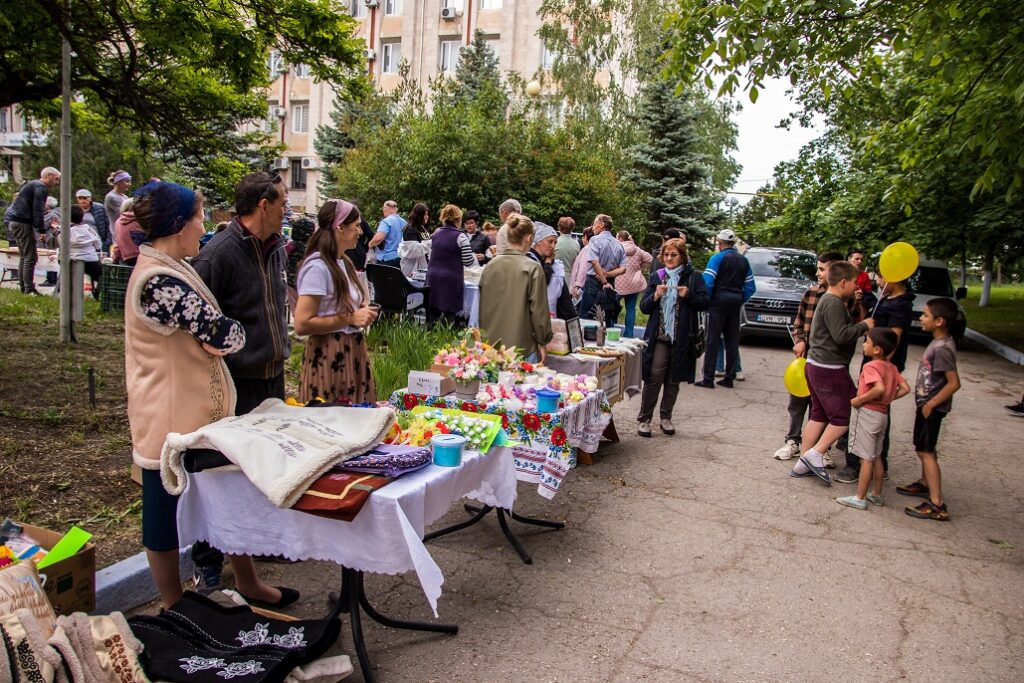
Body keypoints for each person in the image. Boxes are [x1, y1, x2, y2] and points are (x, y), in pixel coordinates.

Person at [124, 180, 295, 609]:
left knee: (227, 497)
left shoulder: (174, 266)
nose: (204, 225)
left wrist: (218, 333)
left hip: (200, 411)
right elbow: (224, 333)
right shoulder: (157, 280)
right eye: (199, 218)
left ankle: (248, 583)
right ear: (179, 225)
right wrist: (223, 332)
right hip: (169, 415)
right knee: (164, 512)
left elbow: (214, 331)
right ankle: (172, 605)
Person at [190, 172, 292, 595]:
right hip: (237, 382)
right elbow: (197, 330)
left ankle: (256, 549)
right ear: (263, 205)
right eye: (282, 201)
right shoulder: (219, 254)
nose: (287, 208)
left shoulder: (276, 249)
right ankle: (207, 565)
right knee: (219, 474)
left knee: (264, 469)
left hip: (272, 377)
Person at [789, 261, 874, 484]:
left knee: (819, 415)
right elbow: (841, 335)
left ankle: (803, 462)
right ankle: (815, 455)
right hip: (829, 368)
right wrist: (865, 325)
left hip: (817, 366)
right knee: (845, 416)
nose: (857, 287)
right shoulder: (833, 303)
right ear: (844, 282)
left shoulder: (830, 300)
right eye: (855, 282)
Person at [294, 199, 380, 403]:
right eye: (357, 225)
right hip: (329, 356)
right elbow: (302, 324)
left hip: (351, 349)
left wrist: (361, 312)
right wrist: (350, 318)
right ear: (340, 227)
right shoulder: (318, 267)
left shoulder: (343, 262)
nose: (360, 232)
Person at [834, 271, 914, 484]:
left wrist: (880, 369)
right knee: (874, 416)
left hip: (879, 368)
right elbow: (871, 322)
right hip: (873, 364)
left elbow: (892, 340)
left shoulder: (900, 306)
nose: (878, 281)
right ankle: (873, 465)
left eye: (881, 277)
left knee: (868, 416)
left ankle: (859, 465)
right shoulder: (887, 299)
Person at [773, 251, 848, 462]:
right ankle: (793, 441)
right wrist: (800, 340)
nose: (817, 273)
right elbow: (798, 323)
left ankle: (820, 449)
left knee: (822, 407)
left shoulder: (845, 299)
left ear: (833, 272)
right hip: (806, 361)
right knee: (797, 402)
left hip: (828, 363)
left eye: (822, 269)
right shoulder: (811, 294)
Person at [636, 239, 709, 437]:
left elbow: (705, 302)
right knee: (654, 377)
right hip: (659, 336)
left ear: (682, 257)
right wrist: (655, 296)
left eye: (673, 255)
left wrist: (689, 295)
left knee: (673, 379)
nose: (669, 258)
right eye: (666, 255)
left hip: (682, 337)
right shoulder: (656, 277)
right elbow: (644, 307)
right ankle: (645, 419)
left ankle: (666, 418)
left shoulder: (694, 278)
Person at [898, 298, 961, 521]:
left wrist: (931, 404)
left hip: (931, 407)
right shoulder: (939, 342)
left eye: (925, 315)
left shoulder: (942, 348)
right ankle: (925, 483)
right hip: (927, 406)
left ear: (940, 320)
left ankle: (937, 503)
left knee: (926, 452)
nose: (921, 318)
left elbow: (954, 383)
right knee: (923, 448)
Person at [835, 328, 911, 510]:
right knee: (876, 455)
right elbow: (906, 388)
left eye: (866, 342)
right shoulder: (891, 367)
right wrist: (889, 399)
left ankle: (859, 497)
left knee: (865, 458)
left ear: (877, 349)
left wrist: (859, 400)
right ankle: (876, 493)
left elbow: (878, 388)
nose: (863, 345)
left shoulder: (871, 366)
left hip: (867, 414)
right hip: (882, 414)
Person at [479, 214, 552, 362]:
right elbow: (539, 311)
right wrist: (543, 341)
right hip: (522, 347)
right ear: (528, 237)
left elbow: (481, 306)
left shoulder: (490, 266)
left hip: (490, 346)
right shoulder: (532, 268)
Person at [695, 229, 755, 388]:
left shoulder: (717, 258)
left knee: (713, 341)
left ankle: (708, 379)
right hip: (735, 305)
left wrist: (707, 300)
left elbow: (708, 282)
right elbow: (750, 287)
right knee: (732, 341)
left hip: (717, 304)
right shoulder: (744, 261)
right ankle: (729, 378)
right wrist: (740, 299)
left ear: (720, 243)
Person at [3, 166, 60, 294]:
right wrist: (42, 230)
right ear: (48, 176)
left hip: (14, 221)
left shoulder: (33, 184)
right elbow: (38, 210)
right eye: (56, 179)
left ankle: (24, 287)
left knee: (24, 255)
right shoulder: (41, 187)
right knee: (31, 257)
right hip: (22, 222)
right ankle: (29, 289)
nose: (57, 183)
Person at [426, 204, 476, 325]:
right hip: (451, 280)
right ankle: (447, 340)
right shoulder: (461, 237)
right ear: (459, 219)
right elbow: (469, 262)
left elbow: (430, 255)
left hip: (432, 277)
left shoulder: (435, 234)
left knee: (432, 315)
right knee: (449, 317)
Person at [576, 214, 626, 319]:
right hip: (610, 283)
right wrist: (607, 275)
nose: (593, 227)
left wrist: (604, 280)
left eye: (594, 224)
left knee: (586, 315)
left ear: (601, 225)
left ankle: (586, 335)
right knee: (604, 317)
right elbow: (623, 269)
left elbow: (594, 262)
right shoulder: (619, 244)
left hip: (594, 282)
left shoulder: (594, 240)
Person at [526, 221, 576, 320]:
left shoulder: (555, 264)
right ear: (538, 241)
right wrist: (548, 263)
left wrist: (572, 320)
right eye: (550, 241)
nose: (553, 246)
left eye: (555, 242)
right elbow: (542, 281)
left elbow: (565, 300)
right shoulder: (528, 260)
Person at [614, 230, 652, 338]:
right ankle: (629, 334)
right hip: (633, 284)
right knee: (630, 309)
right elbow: (649, 258)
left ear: (620, 239)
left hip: (618, 283)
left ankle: (611, 329)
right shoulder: (637, 250)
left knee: (611, 307)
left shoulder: (616, 248)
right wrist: (639, 267)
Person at [68, 205, 102, 298]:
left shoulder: (66, 230)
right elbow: (98, 243)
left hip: (70, 260)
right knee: (101, 274)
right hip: (90, 260)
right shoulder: (88, 229)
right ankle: (97, 292)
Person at [367, 199, 404, 268]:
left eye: (383, 208)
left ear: (385, 208)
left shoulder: (386, 221)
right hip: (401, 258)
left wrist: (370, 244)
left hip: (387, 259)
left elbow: (378, 239)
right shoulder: (404, 222)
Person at [74, 188, 112, 254]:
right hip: (83, 243)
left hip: (99, 240)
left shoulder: (99, 208)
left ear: (90, 198)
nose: (83, 200)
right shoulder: (75, 210)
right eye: (80, 198)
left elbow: (108, 225)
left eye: (85, 198)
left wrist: (107, 242)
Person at [112, 198, 143, 266]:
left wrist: (116, 258)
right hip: (141, 256)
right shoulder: (140, 220)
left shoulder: (118, 222)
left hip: (125, 257)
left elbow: (117, 242)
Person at [569, 227, 593, 300]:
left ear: (585, 237)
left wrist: (577, 286)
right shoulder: (597, 248)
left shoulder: (586, 249)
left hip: (582, 287)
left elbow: (582, 269)